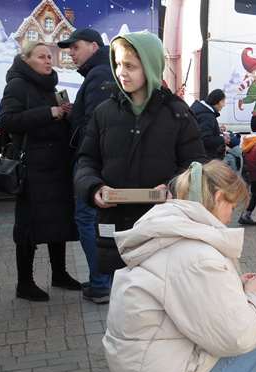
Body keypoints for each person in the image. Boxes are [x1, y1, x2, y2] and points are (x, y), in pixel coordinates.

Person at [104, 160, 256, 372]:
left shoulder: (165, 232)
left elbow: (187, 297)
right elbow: (237, 336)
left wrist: (235, 286)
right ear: (219, 198)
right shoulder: (196, 255)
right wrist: (254, 297)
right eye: (232, 206)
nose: (231, 216)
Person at [75, 31, 206, 303]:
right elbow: (86, 160)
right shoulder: (104, 112)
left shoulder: (177, 113)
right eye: (119, 64)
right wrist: (94, 188)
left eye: (130, 66)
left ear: (149, 65)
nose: (121, 72)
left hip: (162, 228)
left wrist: (172, 187)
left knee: (160, 304)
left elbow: (196, 166)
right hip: (116, 228)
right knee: (123, 302)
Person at [0, 42, 80, 302]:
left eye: (50, 57)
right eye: (42, 56)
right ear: (26, 59)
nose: (49, 61)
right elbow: (8, 120)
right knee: (29, 226)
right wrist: (49, 112)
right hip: (33, 168)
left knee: (59, 221)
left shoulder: (50, 87)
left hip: (56, 166)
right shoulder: (17, 85)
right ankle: (25, 283)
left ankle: (60, 274)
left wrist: (66, 114)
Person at [58, 28, 114, 301]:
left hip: (94, 164)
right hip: (101, 163)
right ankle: (103, 280)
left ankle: (102, 282)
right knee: (97, 222)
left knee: (88, 219)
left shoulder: (100, 73)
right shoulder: (102, 70)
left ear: (93, 45)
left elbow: (97, 125)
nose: (71, 53)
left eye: (75, 47)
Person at [190, 89, 229, 160]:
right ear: (218, 102)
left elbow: (201, 129)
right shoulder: (207, 116)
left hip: (194, 153)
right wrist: (223, 139)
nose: (224, 105)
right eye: (223, 102)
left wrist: (217, 130)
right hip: (204, 157)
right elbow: (205, 139)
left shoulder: (200, 110)